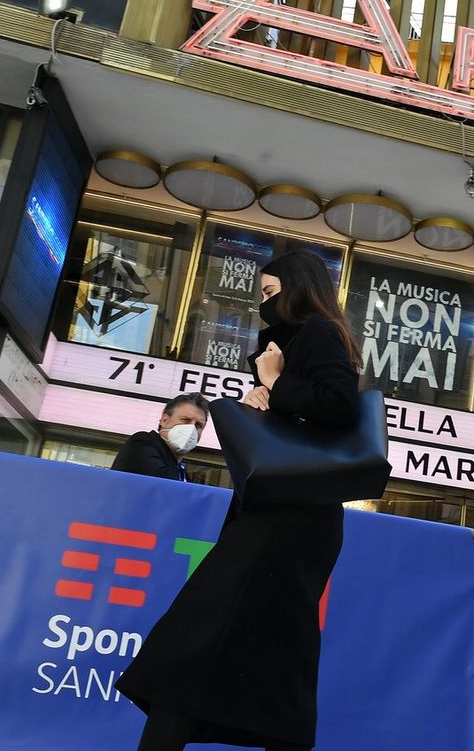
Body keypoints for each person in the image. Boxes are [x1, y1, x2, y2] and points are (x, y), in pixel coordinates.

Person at [118, 249, 360, 751]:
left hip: (291, 520)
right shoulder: (295, 341)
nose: (263, 306)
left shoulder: (315, 333)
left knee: (201, 632)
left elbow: (339, 407)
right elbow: (304, 419)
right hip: (289, 516)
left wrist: (273, 382)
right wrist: (265, 404)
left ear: (297, 289)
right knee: (268, 646)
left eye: (271, 294)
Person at [111, 393, 210, 481]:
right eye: (185, 420)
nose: (191, 429)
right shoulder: (141, 444)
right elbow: (168, 487)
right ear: (164, 420)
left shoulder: (181, 472)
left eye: (198, 425)